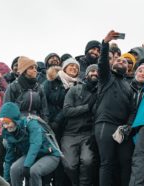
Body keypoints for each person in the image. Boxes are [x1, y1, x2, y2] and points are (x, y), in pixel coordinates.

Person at [95, 30, 134, 186]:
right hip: (105, 124)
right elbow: (102, 62)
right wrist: (105, 43)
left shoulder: (129, 86)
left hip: (122, 128)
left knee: (124, 162)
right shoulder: (106, 77)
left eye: (125, 62)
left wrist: (128, 126)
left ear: (129, 68)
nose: (121, 61)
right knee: (107, 162)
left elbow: (132, 109)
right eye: (118, 60)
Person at [0, 102, 61, 186]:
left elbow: (35, 144)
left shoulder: (31, 124)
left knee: (34, 171)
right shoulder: (8, 132)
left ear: (15, 120)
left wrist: (27, 165)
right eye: (3, 123)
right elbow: (9, 157)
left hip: (50, 154)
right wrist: (5, 181)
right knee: (14, 169)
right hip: (32, 156)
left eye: (7, 122)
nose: (5, 126)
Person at [43, 57, 80, 186]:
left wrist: (58, 120)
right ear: (64, 67)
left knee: (63, 160)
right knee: (49, 157)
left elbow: (69, 108)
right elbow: (44, 102)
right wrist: (47, 122)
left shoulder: (78, 85)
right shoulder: (51, 82)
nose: (74, 68)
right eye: (71, 66)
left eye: (76, 67)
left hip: (67, 128)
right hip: (50, 126)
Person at [62, 64, 99, 186]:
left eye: (97, 71)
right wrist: (87, 107)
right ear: (86, 74)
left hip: (88, 134)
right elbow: (66, 111)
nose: (95, 73)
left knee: (87, 161)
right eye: (92, 70)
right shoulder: (74, 89)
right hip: (70, 133)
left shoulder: (101, 92)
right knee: (70, 165)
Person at [4, 56, 49, 121]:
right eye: (31, 68)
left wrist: (45, 123)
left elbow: (44, 110)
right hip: (18, 122)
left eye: (35, 68)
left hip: (36, 122)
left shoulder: (40, 87)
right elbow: (7, 109)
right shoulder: (13, 86)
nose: (35, 70)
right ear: (24, 71)